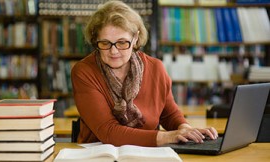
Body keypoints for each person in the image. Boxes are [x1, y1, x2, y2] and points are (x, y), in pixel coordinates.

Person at [71, 0, 218, 147]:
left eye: (122, 42)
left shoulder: (156, 68)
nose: (113, 51)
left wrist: (186, 129)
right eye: (105, 43)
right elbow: (108, 132)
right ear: (96, 40)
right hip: (98, 153)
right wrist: (169, 137)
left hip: (148, 152)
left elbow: (169, 114)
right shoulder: (84, 72)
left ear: (135, 38)